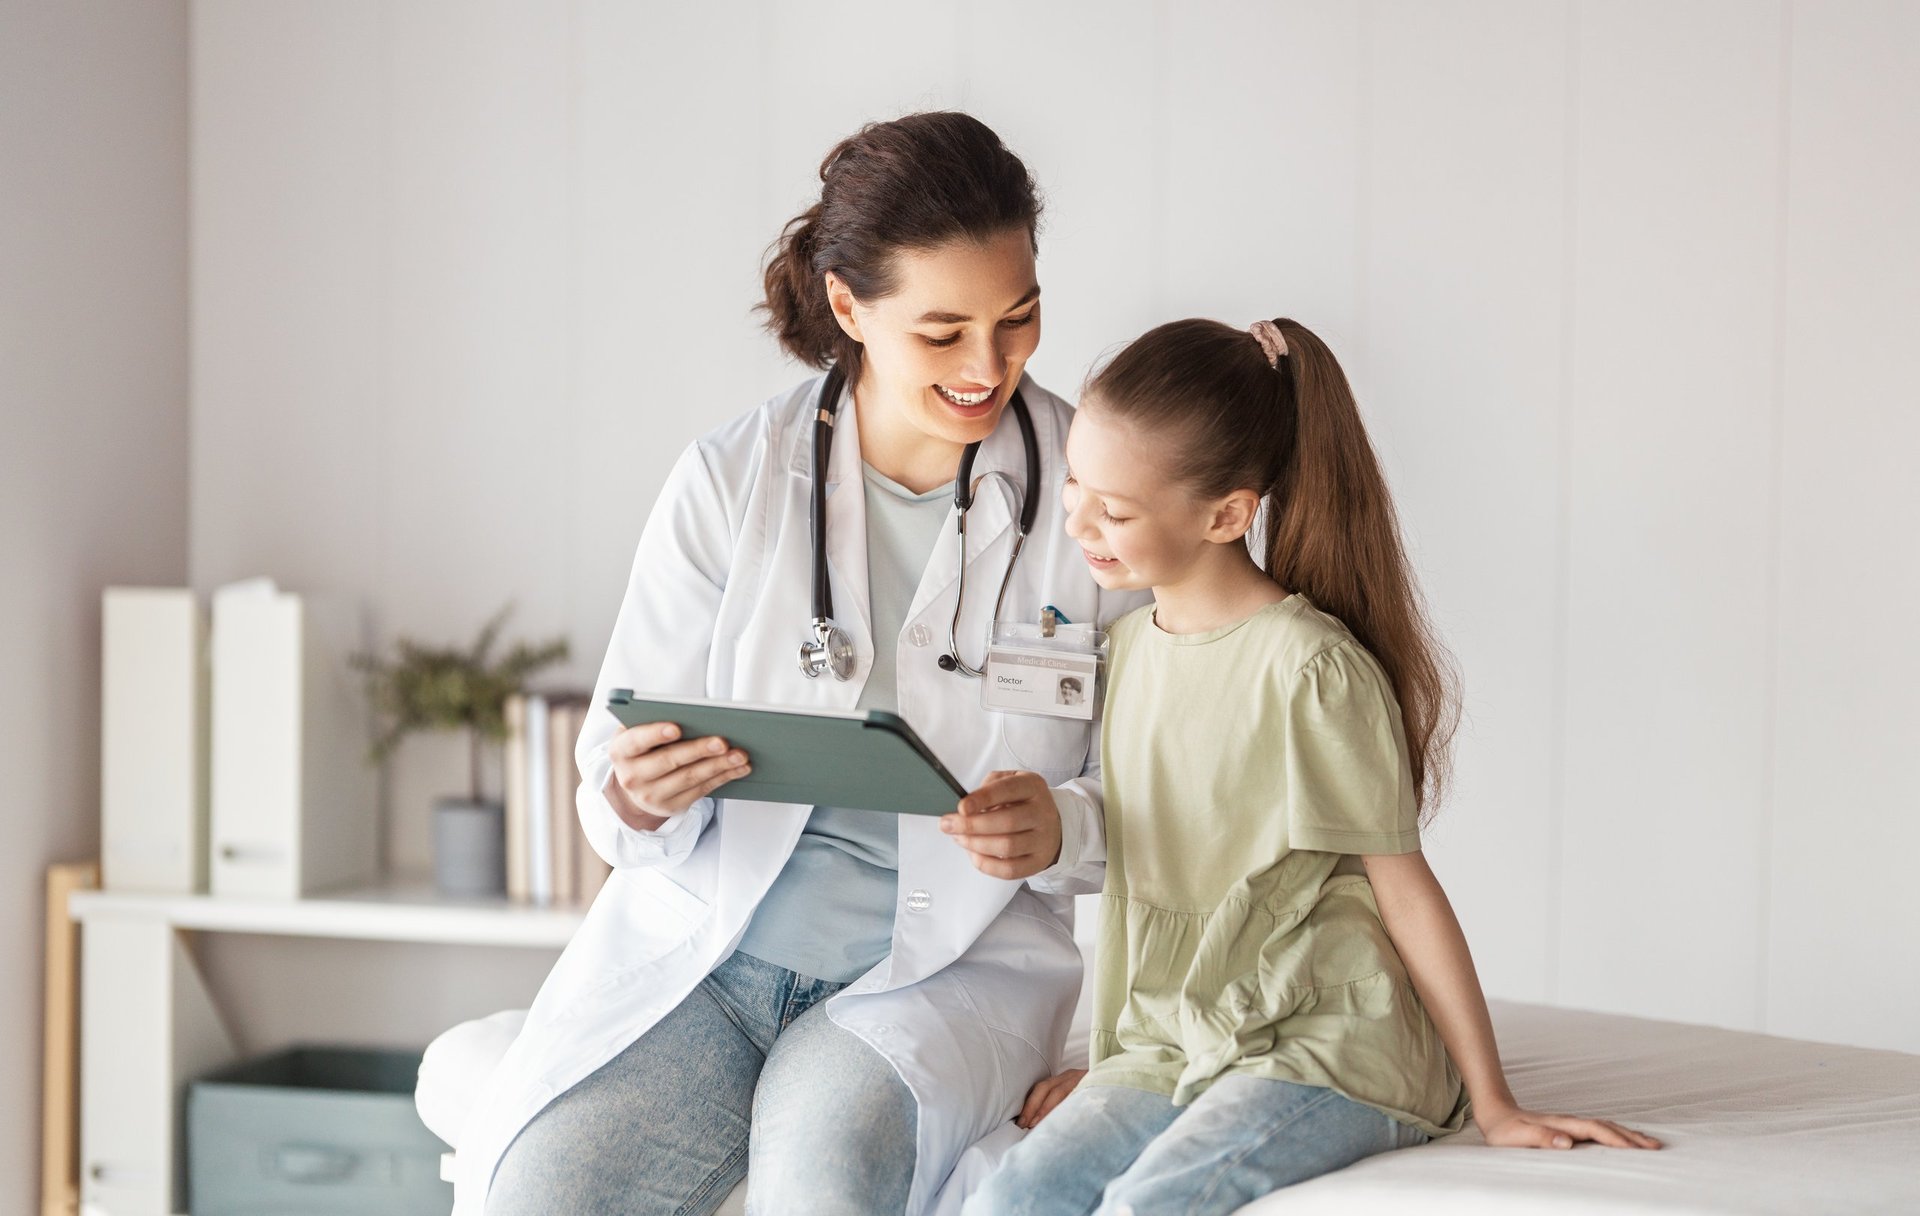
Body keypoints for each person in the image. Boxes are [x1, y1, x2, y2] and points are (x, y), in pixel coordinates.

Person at [451, 112, 1148, 1216]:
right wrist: (639, 793)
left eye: (1019, 319)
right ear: (847, 307)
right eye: (943, 331)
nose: (990, 366)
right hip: (714, 957)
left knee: (820, 1176)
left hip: (941, 974)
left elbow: (1175, 789)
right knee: (540, 1191)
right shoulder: (731, 479)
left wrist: (1068, 823)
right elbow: (609, 781)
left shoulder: (1098, 491)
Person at [965, 318, 1662, 1216]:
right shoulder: (1131, 649)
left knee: (1149, 1204)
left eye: (1116, 510)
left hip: (1326, 1041)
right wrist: (1111, 1075)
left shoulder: (1311, 668)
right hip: (1174, 1037)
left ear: (1227, 515)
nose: (1078, 523)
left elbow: (1404, 889)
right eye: (1074, 486)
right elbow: (1168, 857)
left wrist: (1494, 1104)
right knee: (1007, 1200)